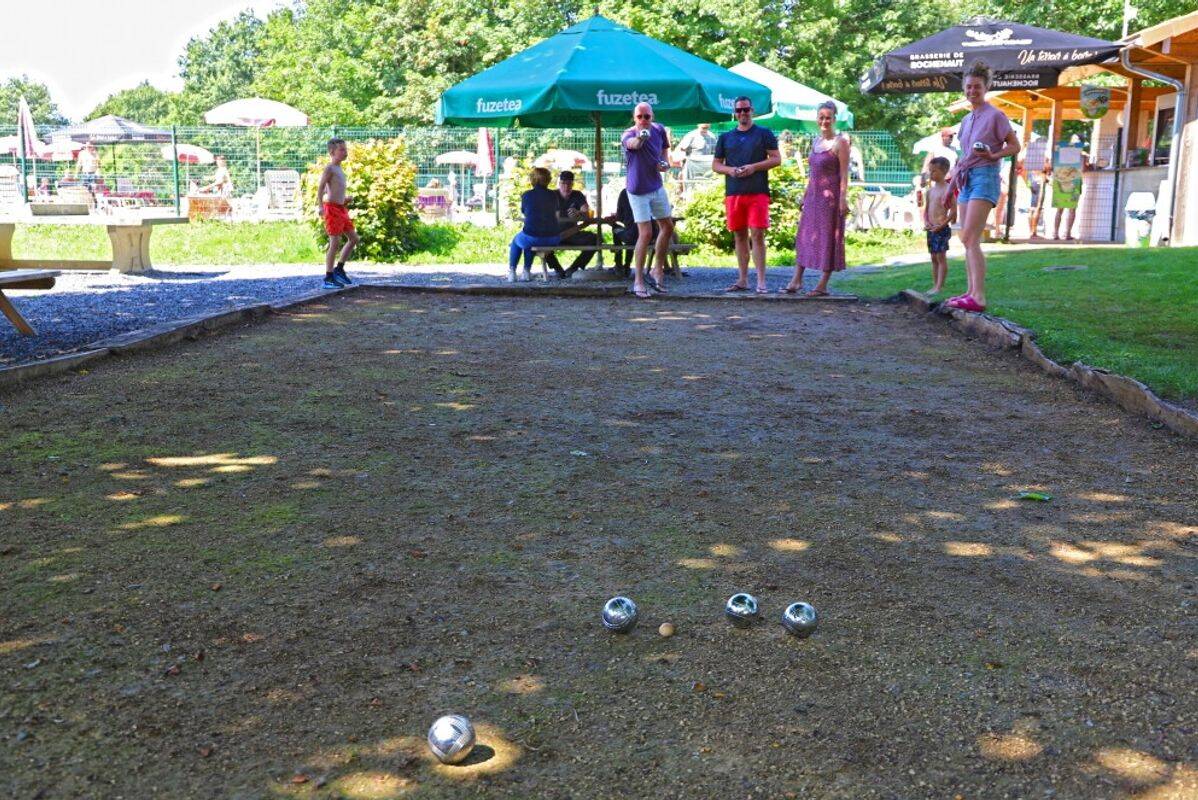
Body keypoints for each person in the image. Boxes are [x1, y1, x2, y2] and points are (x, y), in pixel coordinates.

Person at [943, 60, 1020, 312]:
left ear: (986, 88)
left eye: (977, 86)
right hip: (965, 179)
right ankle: (970, 292)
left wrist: (993, 155)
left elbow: (1014, 146)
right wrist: (950, 188)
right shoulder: (966, 120)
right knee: (966, 239)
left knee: (970, 237)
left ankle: (979, 297)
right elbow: (963, 157)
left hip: (985, 176)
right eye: (968, 87)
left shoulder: (995, 115)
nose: (972, 91)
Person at [713, 96, 781, 294]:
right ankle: (742, 279)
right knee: (739, 235)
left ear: (752, 110)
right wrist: (730, 171)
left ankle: (761, 281)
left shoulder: (764, 133)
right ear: (735, 113)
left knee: (757, 234)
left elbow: (776, 159)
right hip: (734, 192)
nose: (743, 113)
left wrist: (754, 167)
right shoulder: (725, 137)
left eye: (746, 109)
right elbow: (716, 164)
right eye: (739, 110)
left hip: (758, 191)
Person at [785, 101, 849, 297]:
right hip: (813, 196)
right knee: (805, 235)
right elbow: (812, 174)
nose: (824, 121)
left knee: (828, 236)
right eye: (821, 117)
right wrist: (805, 195)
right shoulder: (815, 142)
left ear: (834, 119)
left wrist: (843, 199)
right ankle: (796, 279)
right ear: (816, 119)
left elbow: (844, 174)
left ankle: (822, 284)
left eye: (828, 117)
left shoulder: (841, 143)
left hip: (830, 199)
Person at [621, 102, 675, 298]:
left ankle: (657, 269)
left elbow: (664, 150)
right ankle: (638, 280)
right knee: (645, 233)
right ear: (634, 118)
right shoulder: (628, 134)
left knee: (667, 227)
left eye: (647, 116)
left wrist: (664, 163)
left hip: (656, 186)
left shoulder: (659, 130)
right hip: (637, 190)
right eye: (639, 116)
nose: (643, 120)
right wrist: (641, 138)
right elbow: (633, 144)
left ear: (652, 117)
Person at [316, 138, 359, 289]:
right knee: (334, 243)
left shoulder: (339, 169)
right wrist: (320, 207)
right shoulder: (330, 168)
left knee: (354, 238)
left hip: (341, 208)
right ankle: (328, 277)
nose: (345, 152)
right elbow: (321, 188)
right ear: (332, 152)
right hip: (332, 209)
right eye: (341, 150)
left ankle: (339, 269)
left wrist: (344, 199)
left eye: (345, 149)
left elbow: (333, 190)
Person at [507, 167, 561, 282]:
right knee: (529, 242)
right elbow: (557, 215)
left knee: (517, 241)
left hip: (533, 236)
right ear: (548, 180)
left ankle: (512, 272)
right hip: (554, 239)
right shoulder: (553, 195)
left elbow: (525, 212)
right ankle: (526, 271)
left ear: (532, 179)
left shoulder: (527, 195)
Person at [542, 170, 598, 278]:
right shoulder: (552, 195)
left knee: (595, 239)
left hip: (573, 234)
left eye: (569, 183)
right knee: (540, 241)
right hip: (554, 234)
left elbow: (587, 214)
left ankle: (574, 268)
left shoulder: (577, 195)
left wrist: (579, 213)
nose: (566, 187)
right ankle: (558, 269)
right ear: (559, 183)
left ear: (572, 184)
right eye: (563, 183)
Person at [604, 188, 658, 275]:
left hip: (634, 236)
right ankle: (627, 266)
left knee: (616, 229)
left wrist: (613, 220)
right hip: (652, 237)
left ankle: (619, 264)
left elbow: (620, 216)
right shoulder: (649, 191)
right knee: (631, 232)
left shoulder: (625, 193)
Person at [923, 156, 955, 295]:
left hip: (941, 229)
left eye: (934, 171)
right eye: (930, 171)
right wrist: (926, 222)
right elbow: (926, 210)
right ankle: (935, 285)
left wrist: (942, 225)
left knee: (941, 257)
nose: (931, 174)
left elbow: (953, 211)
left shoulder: (948, 190)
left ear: (944, 171)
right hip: (931, 229)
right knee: (933, 258)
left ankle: (939, 287)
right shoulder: (930, 191)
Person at [1022, 136, 1049, 239]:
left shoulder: (1030, 155)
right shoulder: (1042, 156)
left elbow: (1021, 163)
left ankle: (1032, 231)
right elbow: (1046, 167)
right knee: (1038, 207)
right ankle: (1033, 232)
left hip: (1031, 180)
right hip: (1039, 181)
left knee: (1032, 207)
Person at [676, 122, 717, 191]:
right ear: (698, 124)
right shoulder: (691, 135)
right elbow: (681, 149)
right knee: (690, 188)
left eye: (707, 122)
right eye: (703, 122)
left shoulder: (712, 136)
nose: (705, 124)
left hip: (707, 170)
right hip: (691, 169)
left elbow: (716, 153)